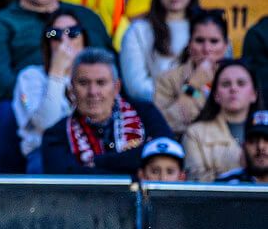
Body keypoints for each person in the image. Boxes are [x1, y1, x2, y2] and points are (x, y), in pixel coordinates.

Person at [40, 47, 171, 175]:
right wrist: (132, 160)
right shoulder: (55, 135)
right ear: (72, 89)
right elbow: (67, 180)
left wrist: (99, 162)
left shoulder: (146, 113)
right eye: (84, 83)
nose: (93, 92)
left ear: (116, 88)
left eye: (101, 83)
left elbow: (166, 153)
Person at [13, 9, 90, 173]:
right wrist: (57, 72)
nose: (64, 39)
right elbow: (48, 126)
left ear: (84, 40)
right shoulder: (29, 77)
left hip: (91, 153)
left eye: (73, 32)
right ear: (47, 42)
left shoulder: (97, 78)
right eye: (54, 34)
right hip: (44, 155)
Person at [119, 0, 199, 104]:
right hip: (154, 119)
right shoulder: (138, 31)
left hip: (204, 117)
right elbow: (136, 87)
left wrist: (195, 98)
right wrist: (184, 96)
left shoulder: (208, 29)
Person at [154, 9, 230, 136]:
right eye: (199, 41)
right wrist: (192, 86)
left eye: (214, 41)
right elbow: (163, 125)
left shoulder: (236, 79)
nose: (206, 49)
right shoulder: (167, 79)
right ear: (189, 44)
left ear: (225, 46)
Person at [181, 60, 259, 181]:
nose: (233, 88)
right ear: (216, 95)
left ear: (254, 94)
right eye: (226, 84)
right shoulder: (195, 133)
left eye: (241, 83)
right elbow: (195, 183)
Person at [219, 111, 268, 185]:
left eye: (267, 140)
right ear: (243, 146)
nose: (260, 146)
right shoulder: (225, 185)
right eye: (253, 141)